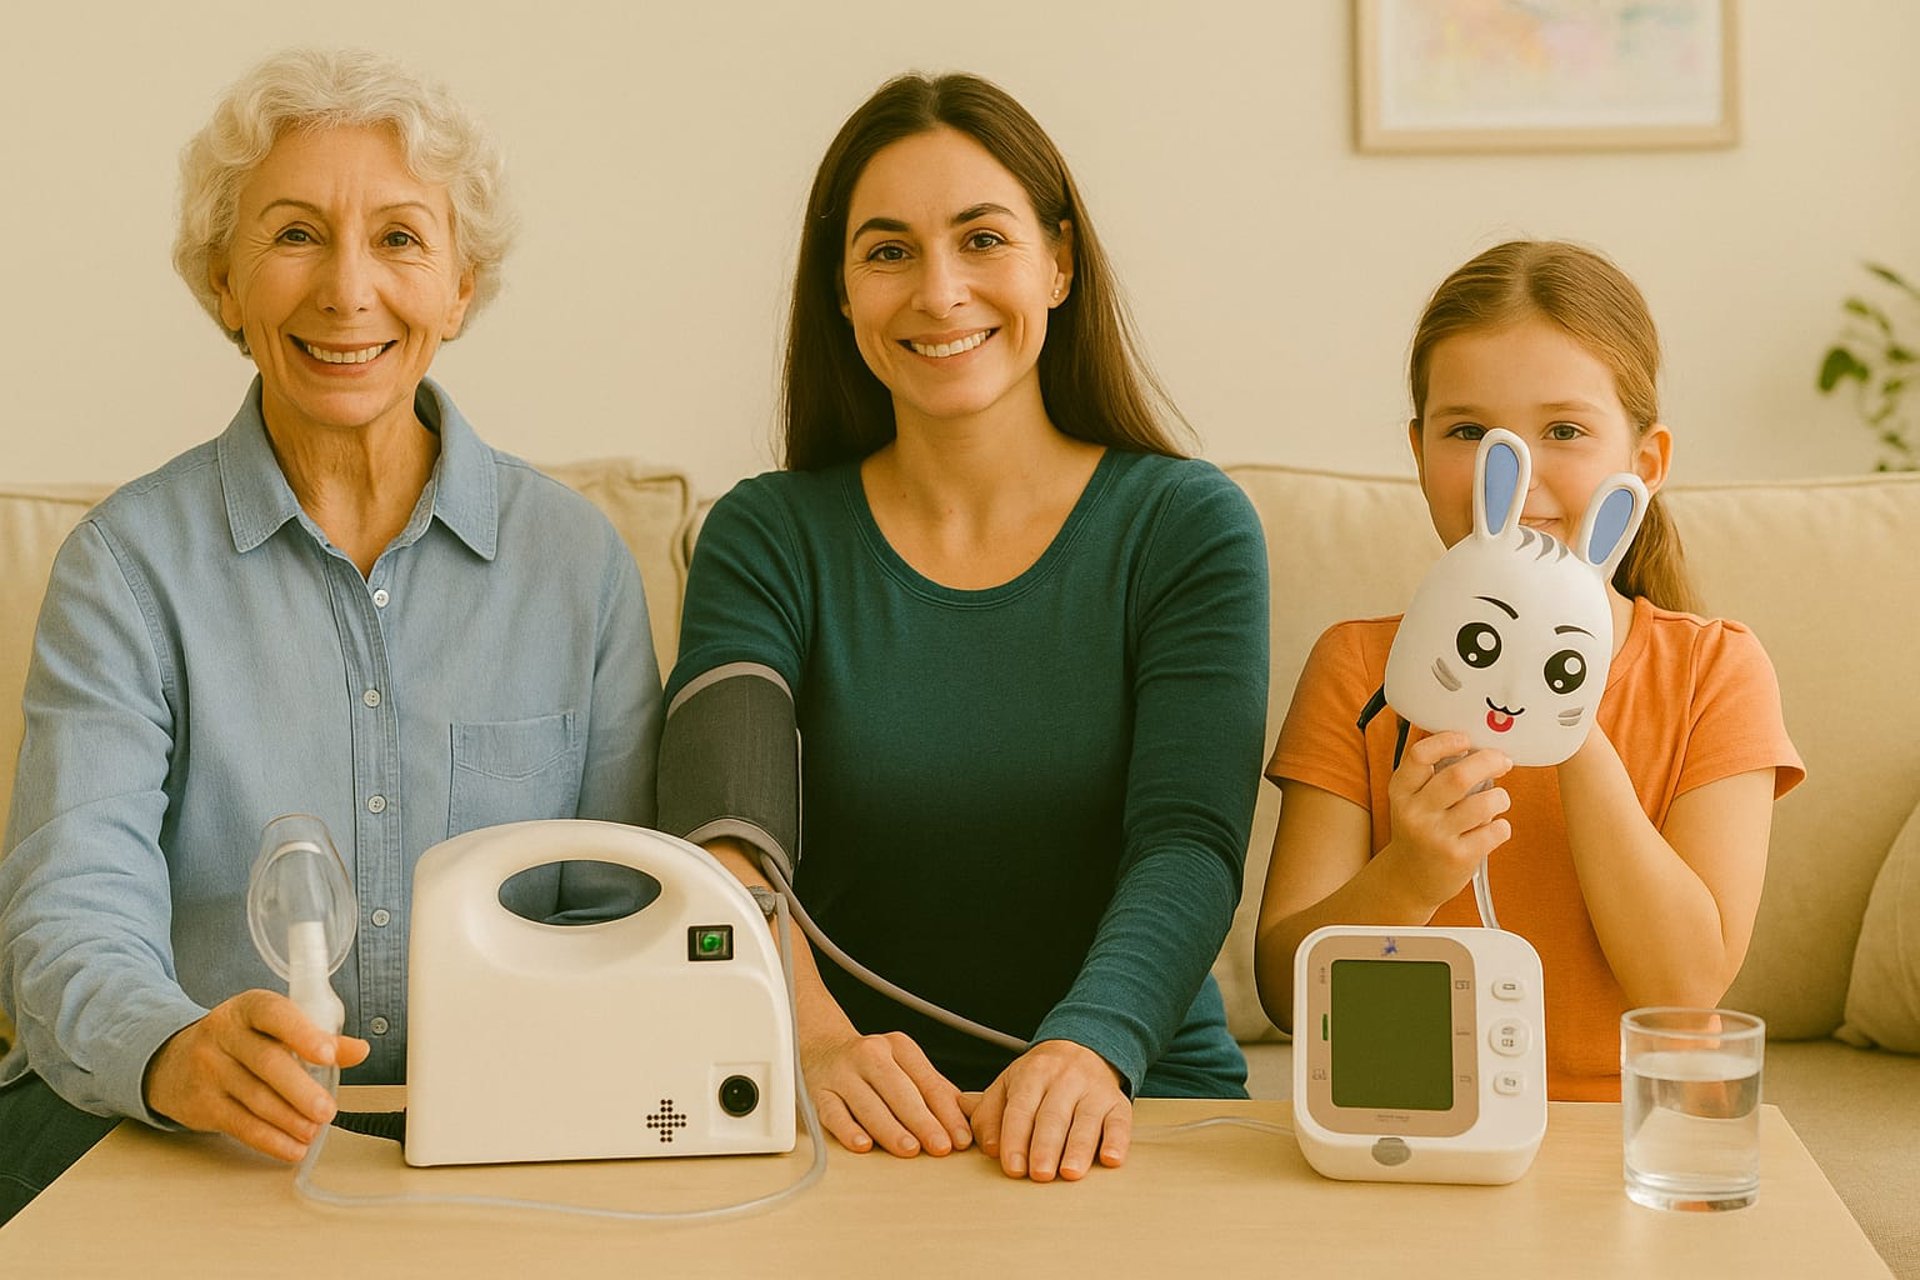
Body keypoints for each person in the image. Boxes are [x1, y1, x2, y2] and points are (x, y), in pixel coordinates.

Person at [0, 48, 661, 1221]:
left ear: (460, 287)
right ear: (224, 283)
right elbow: (69, 915)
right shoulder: (123, 568)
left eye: (400, 237)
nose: (348, 290)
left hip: (499, 1148)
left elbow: (624, 914)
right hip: (177, 1145)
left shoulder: (578, 565)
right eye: (296, 234)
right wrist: (172, 1050)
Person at [656, 72, 1268, 1182]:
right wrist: (813, 1039)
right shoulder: (767, 534)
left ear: (1059, 263)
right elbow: (723, 838)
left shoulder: (1185, 525)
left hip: (1134, 1104)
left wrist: (1090, 1045)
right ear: (843, 292)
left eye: (982, 239)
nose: (940, 292)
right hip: (854, 1116)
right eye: (888, 251)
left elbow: (1188, 842)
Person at [1253, 240, 1804, 1101]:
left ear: (1644, 467)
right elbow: (1288, 994)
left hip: (1620, 1142)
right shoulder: (1358, 668)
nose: (1515, 471)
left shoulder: (1714, 670)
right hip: (1411, 1132)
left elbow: (1685, 991)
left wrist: (1564, 712)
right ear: (1419, 453)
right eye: (1469, 432)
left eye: (1565, 432)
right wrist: (1409, 876)